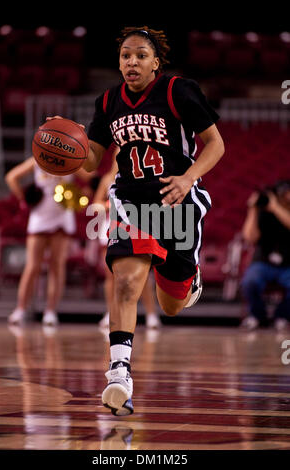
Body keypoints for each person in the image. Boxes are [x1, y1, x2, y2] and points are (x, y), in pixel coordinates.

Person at [47, 26, 224, 416]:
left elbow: (216, 143)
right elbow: (93, 159)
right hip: (130, 201)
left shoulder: (178, 91)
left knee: (171, 305)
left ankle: (187, 275)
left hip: (176, 199)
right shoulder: (108, 101)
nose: (131, 61)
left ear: (156, 62)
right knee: (126, 281)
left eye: (141, 55)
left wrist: (188, 177)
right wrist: (67, 141)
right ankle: (119, 372)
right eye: (126, 55)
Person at [5, 157, 88, 326]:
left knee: (57, 265)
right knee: (33, 265)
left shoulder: (71, 160)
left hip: (62, 213)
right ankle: (20, 309)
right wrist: (24, 197)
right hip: (40, 213)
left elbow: (89, 177)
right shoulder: (37, 159)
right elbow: (11, 177)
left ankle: (50, 311)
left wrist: (83, 192)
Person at [93, 153, 161, 329]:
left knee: (142, 274)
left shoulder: (140, 177)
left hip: (136, 224)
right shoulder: (108, 179)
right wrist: (109, 205)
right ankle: (111, 312)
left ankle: (151, 314)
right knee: (111, 276)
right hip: (111, 226)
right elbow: (96, 203)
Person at [240, 180, 290, 331]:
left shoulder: (279, 210)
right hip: (263, 262)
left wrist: (276, 208)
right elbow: (249, 237)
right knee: (250, 280)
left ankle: (283, 316)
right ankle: (257, 316)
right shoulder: (263, 212)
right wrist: (252, 209)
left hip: (288, 264)